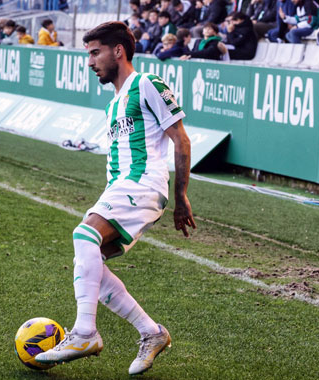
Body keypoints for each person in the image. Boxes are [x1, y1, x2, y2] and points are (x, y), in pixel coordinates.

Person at [33, 21, 195, 376]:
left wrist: (181, 195)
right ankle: (151, 332)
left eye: (95, 53)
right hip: (121, 186)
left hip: (143, 183)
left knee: (84, 235)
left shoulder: (147, 84)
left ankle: (84, 333)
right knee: (89, 260)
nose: (90, 62)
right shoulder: (113, 105)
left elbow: (181, 140)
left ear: (117, 51)